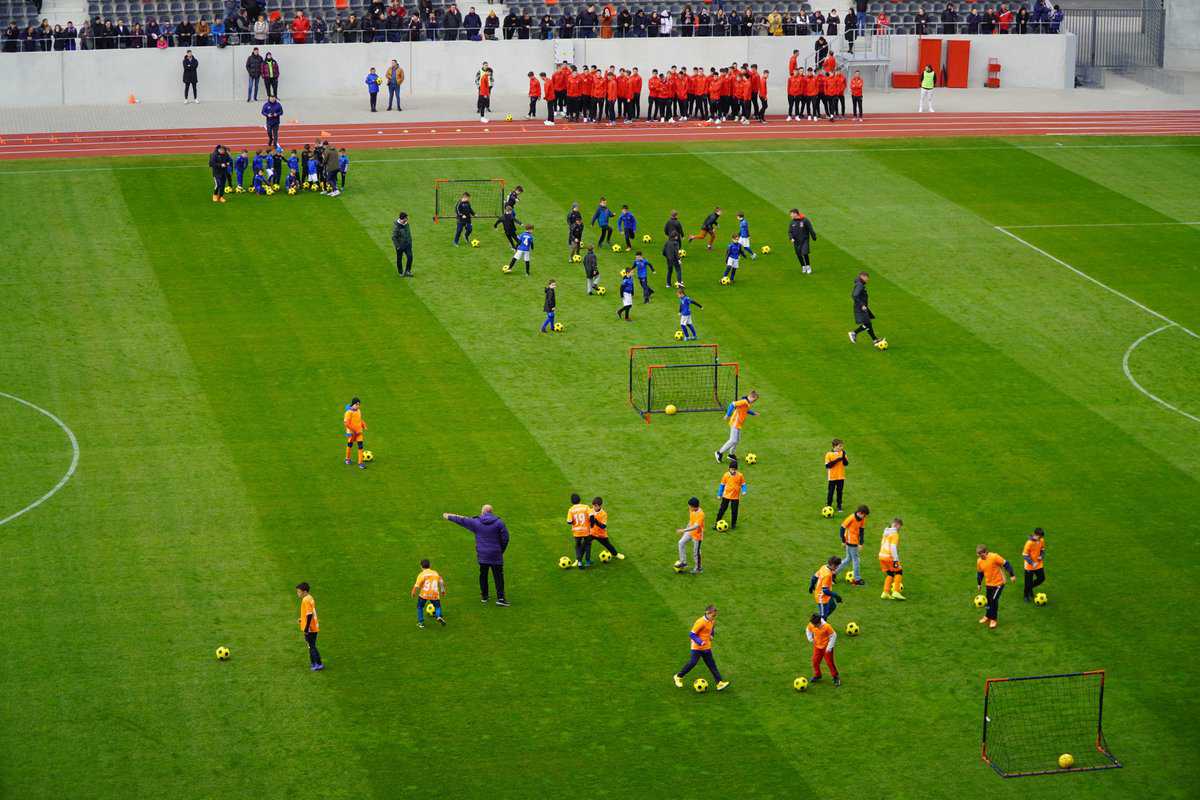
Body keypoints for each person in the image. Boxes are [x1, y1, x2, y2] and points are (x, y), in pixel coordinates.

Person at [442, 505, 510, 606]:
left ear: (482, 512)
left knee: (483, 574)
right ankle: (500, 598)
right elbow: (506, 538)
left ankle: (484, 596)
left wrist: (448, 516)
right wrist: (500, 550)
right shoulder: (499, 522)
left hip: (482, 554)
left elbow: (462, 520)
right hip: (496, 554)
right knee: (498, 576)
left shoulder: (476, 522)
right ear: (491, 512)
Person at [672, 605, 729, 691]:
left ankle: (719, 683)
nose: (714, 617)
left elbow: (712, 628)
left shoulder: (712, 621)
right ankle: (678, 676)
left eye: (715, 615)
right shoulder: (700, 622)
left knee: (712, 665)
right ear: (707, 613)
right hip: (697, 648)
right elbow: (692, 634)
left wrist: (712, 635)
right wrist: (700, 642)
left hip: (707, 647)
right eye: (713, 615)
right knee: (693, 663)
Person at [976, 545, 1015, 628]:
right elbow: (980, 573)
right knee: (988, 601)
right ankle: (987, 616)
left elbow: (1006, 564)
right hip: (989, 584)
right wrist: (979, 584)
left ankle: (993, 619)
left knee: (993, 600)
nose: (981, 557)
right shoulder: (979, 561)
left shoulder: (994, 557)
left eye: (982, 555)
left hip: (999, 583)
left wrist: (1012, 575)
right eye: (979, 555)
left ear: (986, 552)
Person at [715, 390, 758, 463]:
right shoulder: (744, 401)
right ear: (751, 397)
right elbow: (732, 404)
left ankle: (731, 455)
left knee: (737, 440)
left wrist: (753, 413)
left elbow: (746, 410)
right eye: (754, 400)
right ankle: (719, 453)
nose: (754, 401)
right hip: (735, 422)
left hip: (739, 424)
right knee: (733, 440)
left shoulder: (747, 403)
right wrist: (728, 415)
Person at [848, 271, 883, 346]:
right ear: (862, 276)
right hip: (860, 308)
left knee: (868, 323)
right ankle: (853, 333)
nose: (868, 279)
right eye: (867, 277)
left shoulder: (860, 284)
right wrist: (862, 305)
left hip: (862, 307)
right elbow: (854, 295)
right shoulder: (860, 285)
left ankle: (875, 339)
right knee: (867, 324)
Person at [805, 613, 840, 686]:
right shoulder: (812, 624)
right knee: (815, 661)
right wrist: (810, 639)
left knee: (829, 663)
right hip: (817, 646)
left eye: (815, 625)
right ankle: (818, 675)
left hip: (826, 647)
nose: (814, 626)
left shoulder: (827, 626)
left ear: (819, 622)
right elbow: (808, 629)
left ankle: (835, 677)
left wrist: (829, 647)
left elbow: (833, 636)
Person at [295, 582, 324, 671]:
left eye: (299, 592)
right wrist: (302, 619)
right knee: (312, 645)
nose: (298, 593)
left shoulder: (305, 600)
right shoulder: (310, 598)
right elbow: (309, 613)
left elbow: (309, 614)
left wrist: (306, 628)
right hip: (314, 626)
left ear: (304, 592)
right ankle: (318, 663)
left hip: (310, 628)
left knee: (311, 646)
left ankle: (316, 664)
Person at [838, 505, 869, 584]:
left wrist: (861, 543)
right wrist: (843, 541)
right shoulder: (851, 518)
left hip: (855, 541)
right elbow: (842, 528)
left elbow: (862, 531)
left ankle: (834, 572)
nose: (864, 517)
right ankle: (857, 579)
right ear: (859, 513)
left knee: (848, 559)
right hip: (850, 541)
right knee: (856, 560)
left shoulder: (863, 519)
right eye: (864, 515)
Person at [674, 497, 706, 574]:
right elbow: (691, 520)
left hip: (697, 535)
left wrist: (683, 530)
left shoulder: (701, 514)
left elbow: (696, 526)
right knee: (681, 543)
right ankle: (683, 562)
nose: (689, 507)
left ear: (694, 506)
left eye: (689, 506)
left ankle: (698, 568)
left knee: (696, 552)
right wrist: (686, 529)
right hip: (690, 531)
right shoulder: (691, 510)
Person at [411, 559, 447, 628]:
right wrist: (443, 590)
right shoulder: (435, 573)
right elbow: (441, 581)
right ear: (430, 565)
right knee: (437, 606)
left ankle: (421, 622)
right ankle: (438, 616)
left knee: (420, 607)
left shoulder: (421, 575)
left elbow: (417, 585)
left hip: (424, 594)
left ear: (421, 566)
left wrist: (413, 592)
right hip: (434, 594)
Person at [587, 496, 623, 561]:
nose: (594, 507)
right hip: (591, 533)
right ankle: (579, 560)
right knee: (584, 545)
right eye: (593, 505)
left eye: (596, 506)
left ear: (600, 506)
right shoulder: (590, 511)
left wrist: (595, 521)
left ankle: (616, 554)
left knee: (608, 545)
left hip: (601, 534)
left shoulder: (603, 514)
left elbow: (603, 526)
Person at [715, 461, 747, 531]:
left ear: (737, 469)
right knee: (722, 510)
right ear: (729, 469)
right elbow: (722, 485)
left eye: (734, 469)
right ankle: (716, 523)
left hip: (735, 497)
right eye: (731, 469)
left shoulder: (740, 475)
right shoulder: (726, 475)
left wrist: (744, 491)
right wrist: (719, 494)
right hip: (726, 496)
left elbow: (743, 484)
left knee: (734, 511)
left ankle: (733, 524)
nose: (733, 471)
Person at [879, 517, 905, 600]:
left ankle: (885, 592)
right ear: (897, 525)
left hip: (881, 556)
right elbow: (893, 547)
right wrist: (896, 559)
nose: (899, 529)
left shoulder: (886, 532)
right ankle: (896, 591)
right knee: (899, 571)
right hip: (889, 557)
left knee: (890, 573)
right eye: (900, 527)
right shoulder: (895, 534)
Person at [567, 493, 592, 567]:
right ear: (580, 500)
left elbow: (569, 521)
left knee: (578, 546)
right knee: (588, 545)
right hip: (586, 530)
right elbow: (591, 516)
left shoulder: (571, 510)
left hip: (577, 532)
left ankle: (579, 562)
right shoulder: (586, 507)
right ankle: (587, 561)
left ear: (572, 502)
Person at [343, 396, 368, 468]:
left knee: (360, 446)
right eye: (357, 405)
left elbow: (360, 419)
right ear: (353, 404)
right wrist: (354, 430)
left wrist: (364, 425)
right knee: (350, 445)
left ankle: (360, 463)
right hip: (351, 433)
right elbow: (346, 423)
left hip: (359, 432)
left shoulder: (359, 411)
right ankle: (347, 459)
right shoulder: (348, 413)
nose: (358, 406)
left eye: (359, 405)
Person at [1022, 527, 1046, 601]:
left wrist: (1041, 556)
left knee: (1042, 578)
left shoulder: (1041, 540)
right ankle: (1026, 595)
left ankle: (1030, 588)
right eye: (1040, 536)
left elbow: (1042, 550)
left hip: (1038, 564)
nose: (1041, 538)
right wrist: (1032, 563)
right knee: (1027, 581)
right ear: (1036, 534)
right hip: (1029, 566)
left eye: (1041, 537)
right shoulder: (1029, 543)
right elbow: (1025, 555)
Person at [824, 438, 847, 512]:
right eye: (840, 446)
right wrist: (837, 460)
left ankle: (839, 506)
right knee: (831, 492)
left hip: (841, 476)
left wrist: (843, 457)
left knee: (840, 492)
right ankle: (828, 506)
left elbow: (846, 464)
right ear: (835, 446)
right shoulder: (828, 454)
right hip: (832, 477)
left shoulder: (843, 453)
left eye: (842, 446)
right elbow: (828, 466)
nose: (841, 447)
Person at [392, 211, 413, 277]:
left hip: (408, 245)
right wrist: (397, 246)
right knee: (399, 259)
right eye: (406, 218)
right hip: (400, 246)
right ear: (402, 218)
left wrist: (410, 242)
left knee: (410, 257)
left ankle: (407, 271)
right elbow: (393, 237)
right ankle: (400, 272)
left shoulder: (406, 224)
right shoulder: (397, 227)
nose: (407, 219)